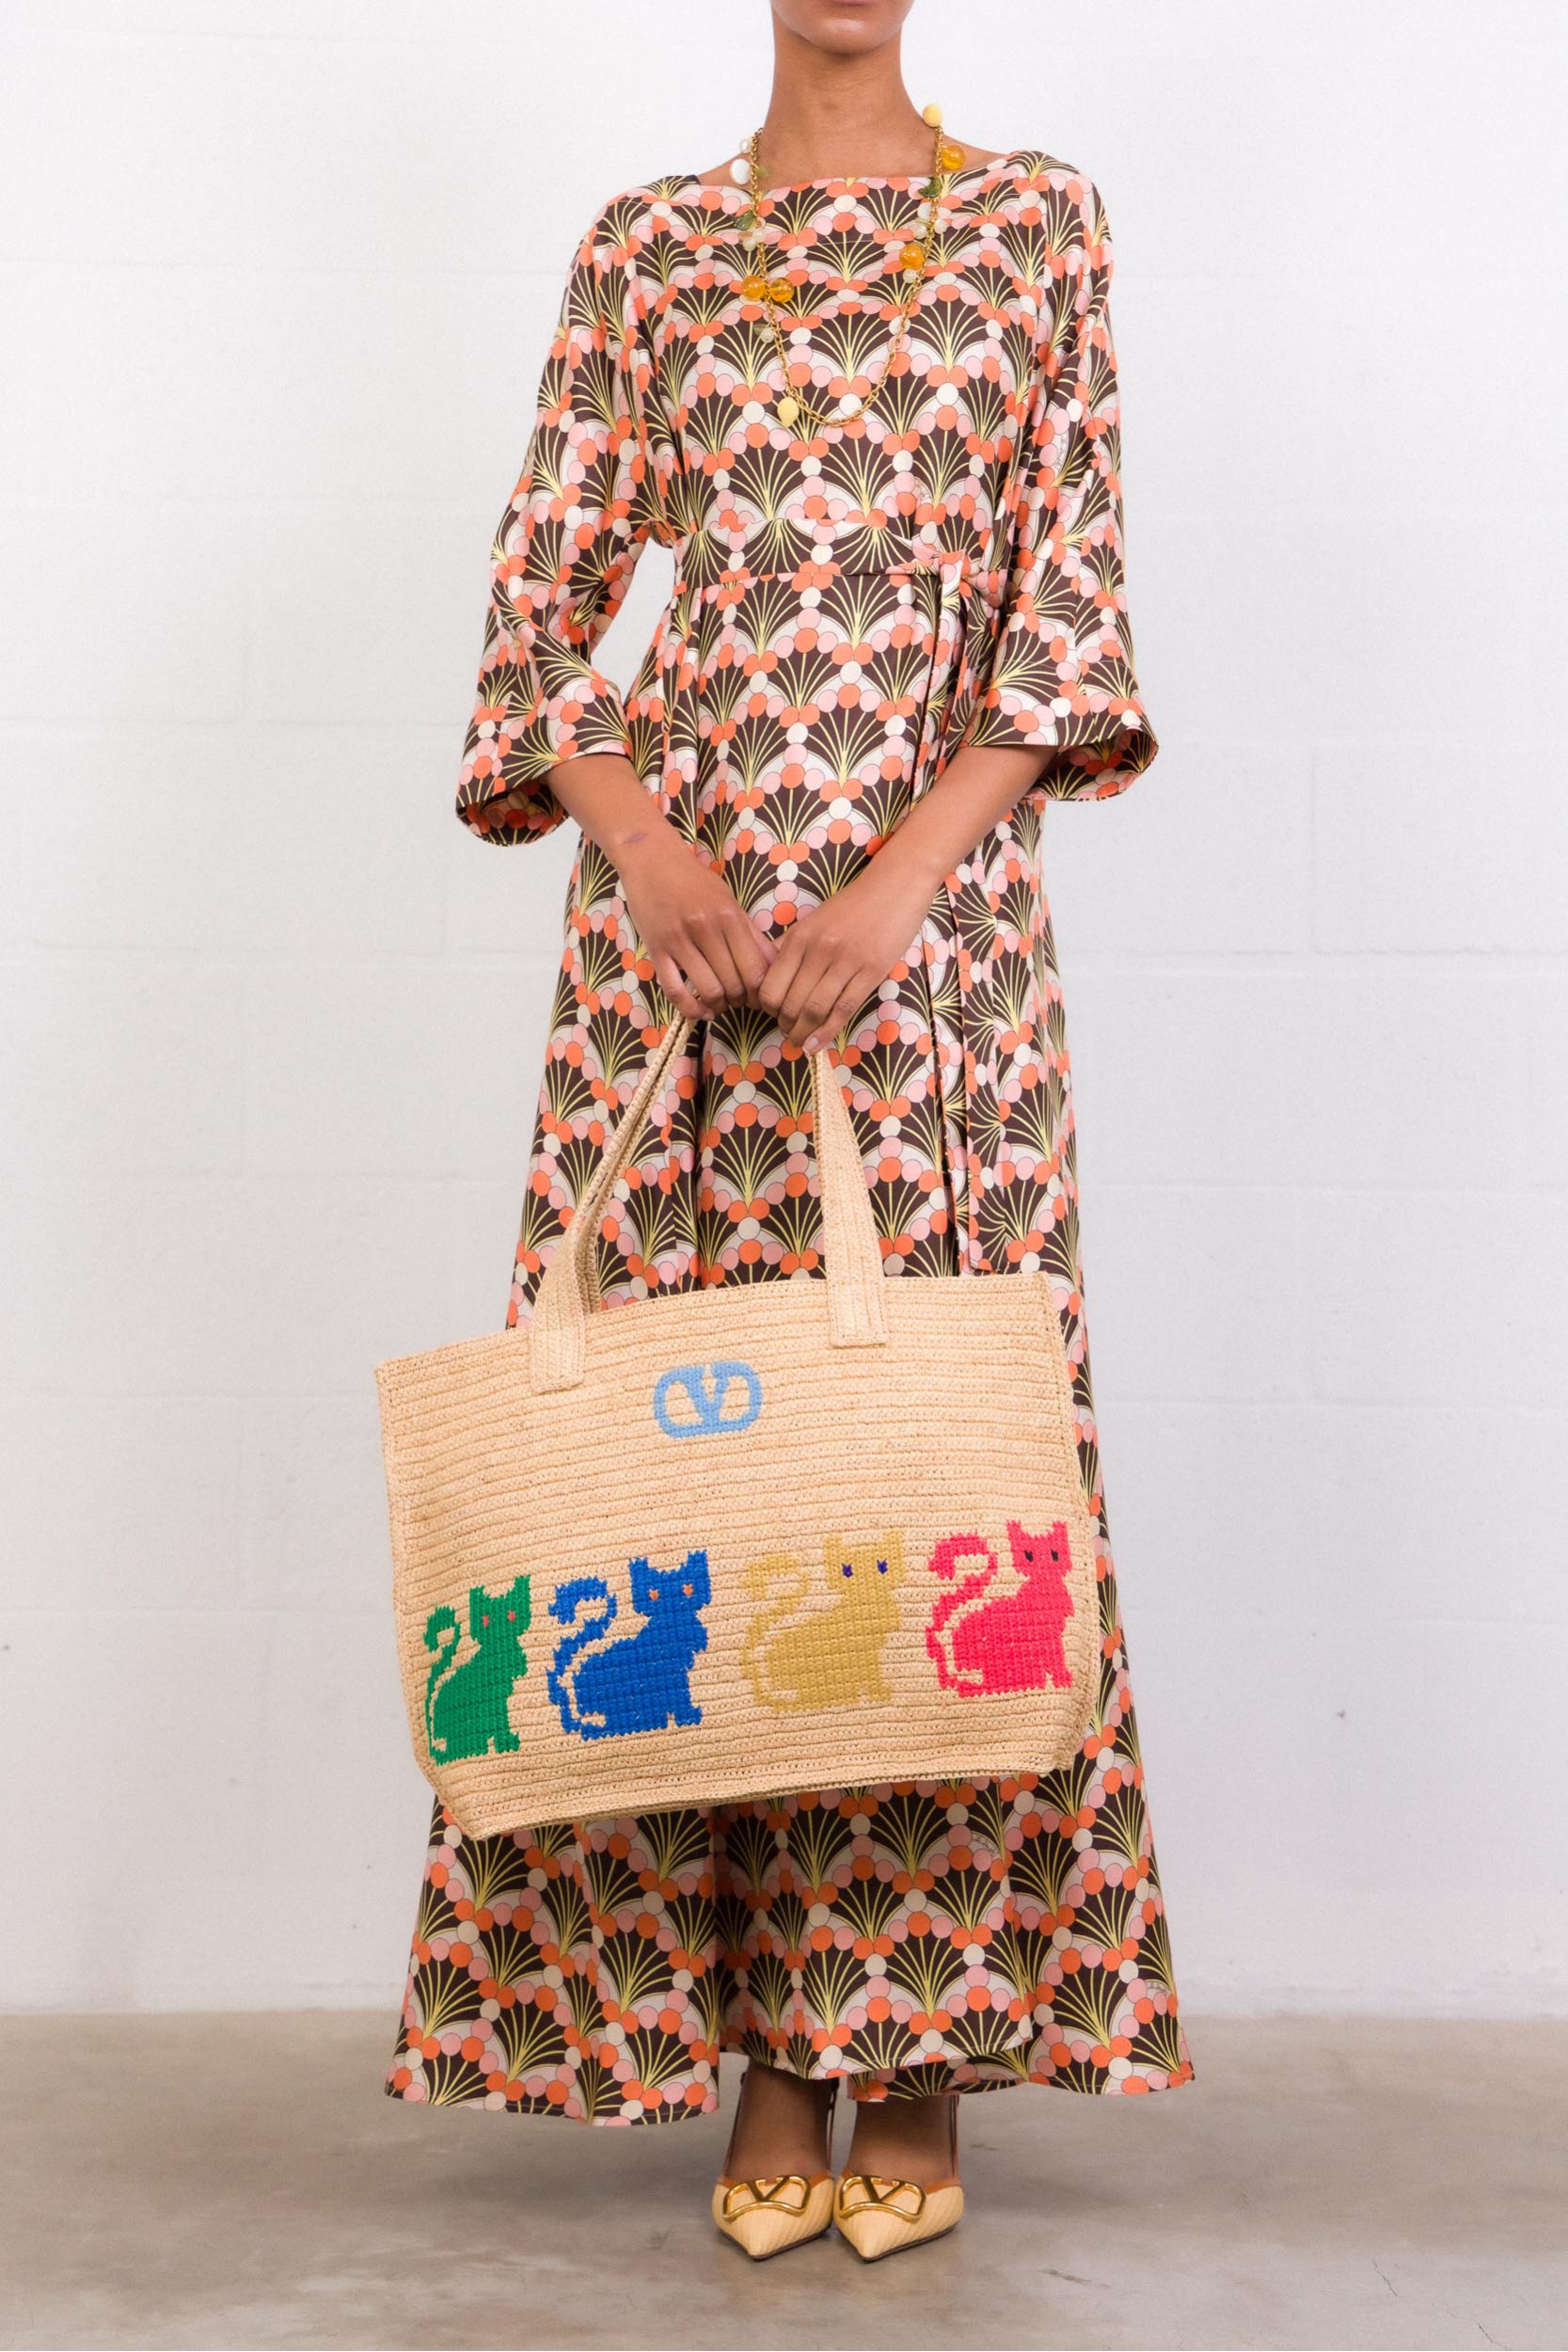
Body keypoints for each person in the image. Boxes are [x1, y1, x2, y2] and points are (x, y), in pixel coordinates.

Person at [388, 0, 1193, 2263]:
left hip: (932, 969)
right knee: (697, 1496)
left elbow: (1066, 619)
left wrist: (901, 884)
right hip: (687, 964)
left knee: (923, 1485)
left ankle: (911, 2039)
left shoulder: (1035, 225)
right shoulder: (649, 247)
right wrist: (647, 848)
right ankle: (758, 2037)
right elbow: (542, 618)